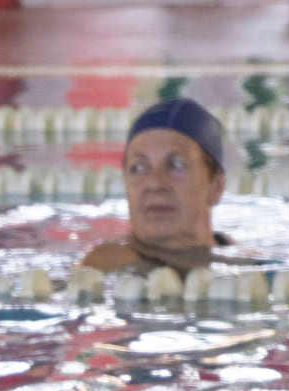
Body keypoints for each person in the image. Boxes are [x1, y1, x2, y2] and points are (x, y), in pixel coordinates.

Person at [80, 98, 241, 278]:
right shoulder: (104, 269)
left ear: (216, 187)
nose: (155, 183)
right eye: (139, 168)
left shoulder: (244, 263)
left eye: (176, 165)